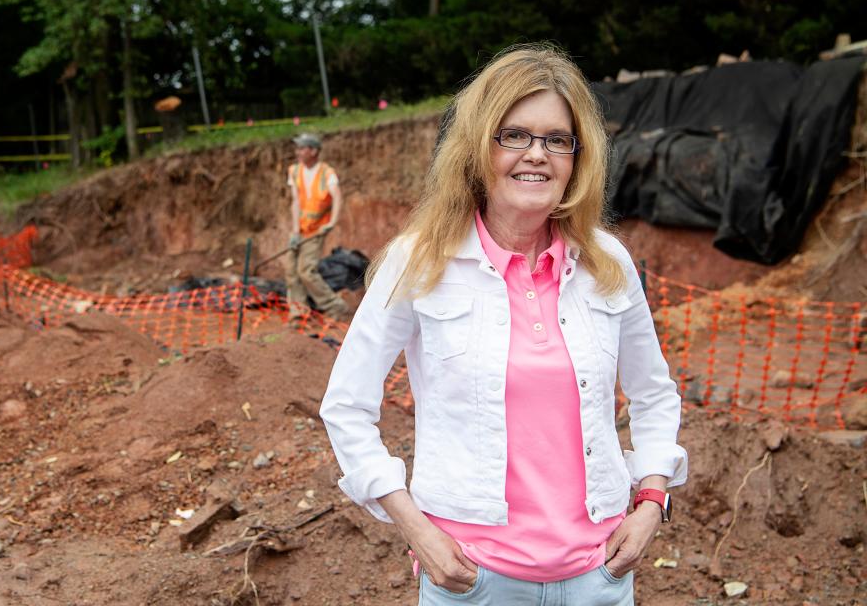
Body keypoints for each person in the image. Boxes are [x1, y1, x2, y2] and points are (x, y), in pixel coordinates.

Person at [320, 44, 688, 605]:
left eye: (556, 140)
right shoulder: (420, 261)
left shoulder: (607, 263)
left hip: (600, 578)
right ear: (476, 147)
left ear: (577, 157)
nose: (536, 154)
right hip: (473, 580)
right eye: (513, 135)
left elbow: (654, 394)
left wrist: (652, 502)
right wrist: (416, 528)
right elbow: (346, 405)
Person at [285, 132, 350, 321]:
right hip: (300, 229)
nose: (298, 152)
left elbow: (337, 196)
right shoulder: (294, 171)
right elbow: (296, 201)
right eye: (297, 148)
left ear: (313, 151)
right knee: (291, 271)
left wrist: (332, 223)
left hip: (317, 230)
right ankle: (298, 311)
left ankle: (334, 305)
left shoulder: (326, 172)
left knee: (306, 271)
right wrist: (295, 230)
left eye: (301, 148)